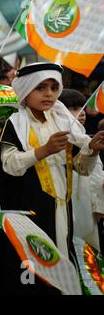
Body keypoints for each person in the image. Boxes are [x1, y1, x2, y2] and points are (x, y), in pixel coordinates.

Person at [0, 63, 104, 294]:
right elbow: (9, 165)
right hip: (27, 213)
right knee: (29, 277)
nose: (49, 93)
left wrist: (91, 149)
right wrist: (44, 150)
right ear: (26, 89)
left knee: (59, 273)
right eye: (40, 87)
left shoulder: (62, 121)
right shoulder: (14, 122)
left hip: (60, 212)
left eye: (54, 87)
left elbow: (81, 169)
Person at [58, 89, 104, 251]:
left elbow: (97, 177)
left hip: (87, 204)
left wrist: (99, 206)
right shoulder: (60, 139)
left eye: (82, 108)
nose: (82, 113)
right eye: (74, 108)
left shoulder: (87, 139)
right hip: (68, 201)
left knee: (88, 249)